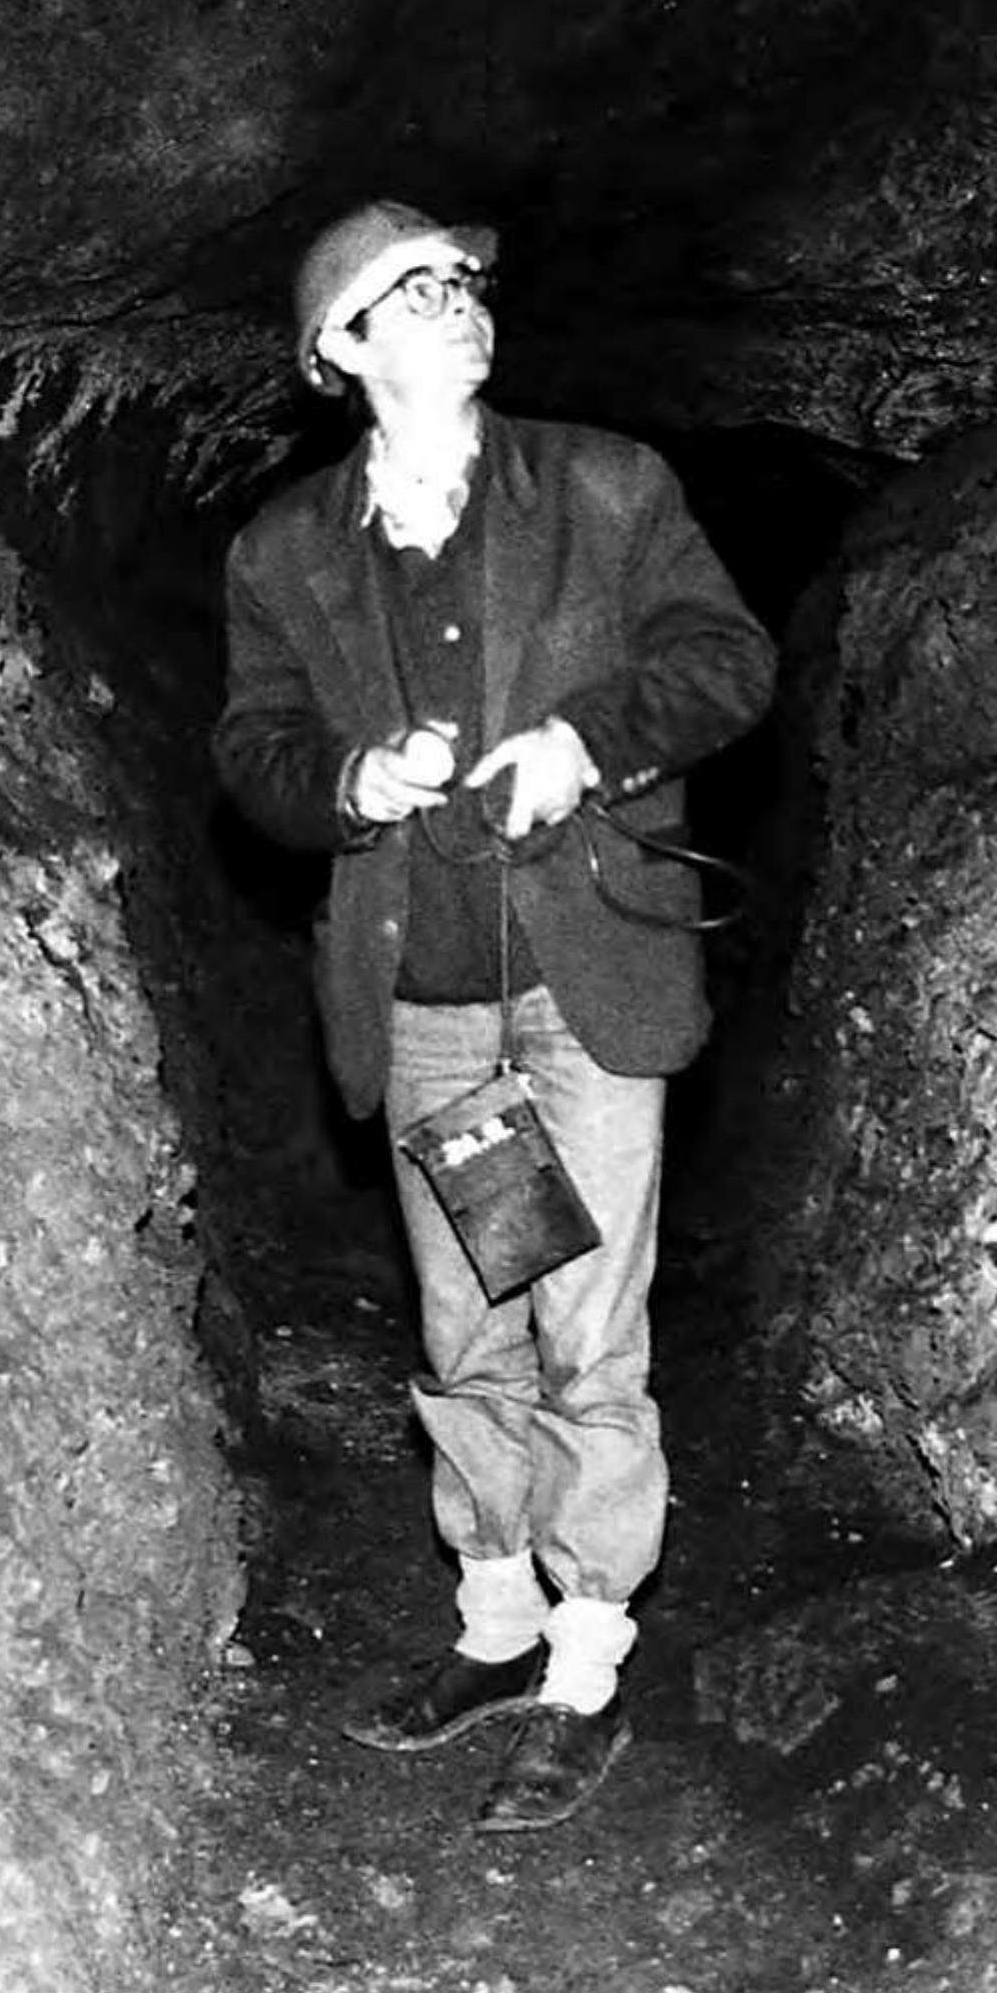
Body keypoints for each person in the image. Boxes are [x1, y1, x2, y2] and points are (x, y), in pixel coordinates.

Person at [213, 199, 775, 1833]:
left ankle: (586, 1667)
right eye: (408, 293)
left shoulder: (605, 485)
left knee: (591, 1328)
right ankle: (492, 1625)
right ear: (338, 352)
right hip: (426, 1000)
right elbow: (248, 751)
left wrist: (587, 740)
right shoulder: (283, 553)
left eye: (462, 282)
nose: (454, 306)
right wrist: (340, 780)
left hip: (588, 975)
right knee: (469, 1329)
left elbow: (723, 659)